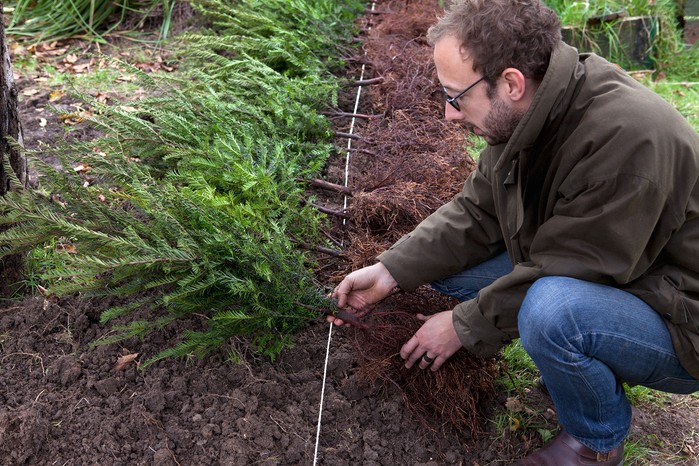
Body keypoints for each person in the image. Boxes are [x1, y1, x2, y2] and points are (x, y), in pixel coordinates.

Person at [329, 0, 699, 464]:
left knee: (552, 312)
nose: (450, 115)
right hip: (621, 270)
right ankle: (579, 363)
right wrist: (389, 271)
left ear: (511, 83)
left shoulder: (628, 140)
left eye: (455, 96)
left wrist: (464, 327)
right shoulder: (531, 113)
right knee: (449, 272)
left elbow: (577, 268)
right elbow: (476, 212)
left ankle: (595, 442)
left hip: (680, 313)